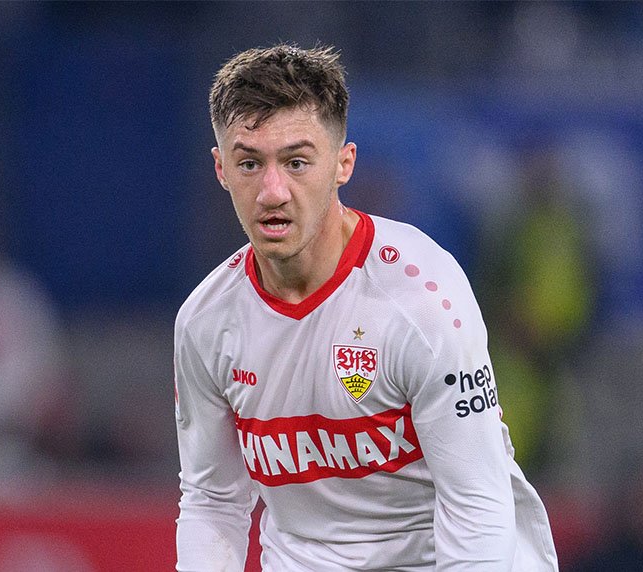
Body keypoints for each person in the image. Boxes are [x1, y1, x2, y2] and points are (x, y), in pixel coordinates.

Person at [174, 44, 558, 571]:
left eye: (296, 162)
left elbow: (476, 504)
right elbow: (212, 501)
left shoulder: (422, 300)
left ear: (343, 164)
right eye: (249, 164)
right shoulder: (205, 323)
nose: (272, 191)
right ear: (221, 169)